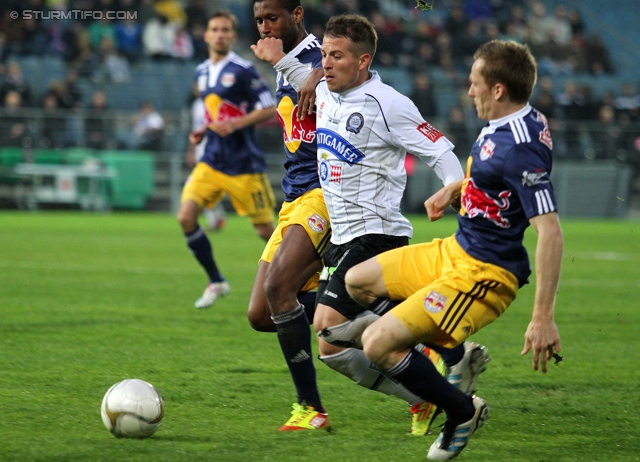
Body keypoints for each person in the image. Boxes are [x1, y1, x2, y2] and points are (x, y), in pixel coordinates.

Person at [253, 13, 488, 436]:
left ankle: (446, 358)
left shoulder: (389, 103)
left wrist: (451, 189)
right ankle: (427, 389)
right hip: (340, 239)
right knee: (331, 349)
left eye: (336, 56)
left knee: (329, 323)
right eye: (323, 54)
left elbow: (441, 152)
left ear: (363, 62)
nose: (325, 63)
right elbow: (299, 70)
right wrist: (286, 65)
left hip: (377, 233)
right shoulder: (324, 90)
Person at [345, 40, 563, 460]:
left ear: (497, 89)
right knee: (358, 282)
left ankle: (462, 411)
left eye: (474, 83)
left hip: (484, 273)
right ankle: (454, 353)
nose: (469, 91)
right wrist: (456, 190)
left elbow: (550, 232)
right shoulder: (507, 121)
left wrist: (542, 319)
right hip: (456, 247)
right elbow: (496, 182)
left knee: (376, 344)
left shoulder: (522, 148)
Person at [247, 0, 331, 432]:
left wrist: (300, 67)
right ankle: (373, 316)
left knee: (280, 286)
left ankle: (309, 408)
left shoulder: (322, 55)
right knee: (261, 313)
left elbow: (335, 79)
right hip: (292, 198)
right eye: (259, 20)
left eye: (272, 18)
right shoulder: (286, 64)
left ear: (296, 15)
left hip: (325, 194)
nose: (265, 27)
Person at [177, 10, 277, 309]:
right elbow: (215, 113)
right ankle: (216, 281)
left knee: (265, 231)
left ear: (233, 36)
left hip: (243, 164)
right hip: (211, 160)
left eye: (225, 30)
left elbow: (269, 107)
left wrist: (235, 125)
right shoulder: (201, 72)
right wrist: (202, 132)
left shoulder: (244, 70)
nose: (219, 34)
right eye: (214, 29)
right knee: (185, 217)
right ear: (206, 35)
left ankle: (316, 269)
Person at [186, 82, 227, 231]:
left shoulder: (215, 101)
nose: (196, 89)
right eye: (195, 86)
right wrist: (191, 150)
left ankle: (215, 219)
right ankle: (218, 218)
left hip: (214, 151)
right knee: (206, 187)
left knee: (204, 187)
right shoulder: (196, 105)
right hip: (200, 151)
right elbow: (195, 130)